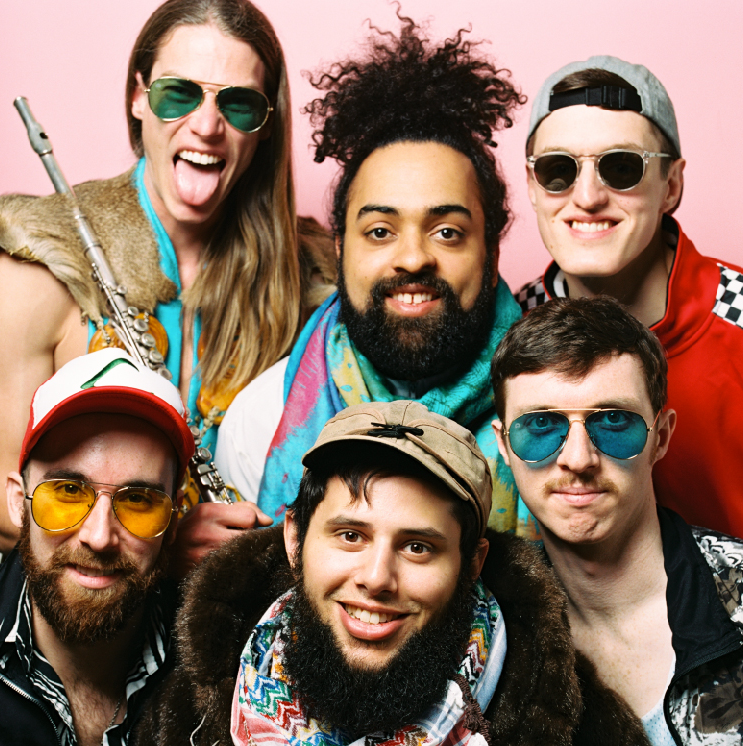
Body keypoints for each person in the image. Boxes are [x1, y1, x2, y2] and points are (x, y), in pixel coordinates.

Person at [130, 399, 671, 746]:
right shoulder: (185, 721)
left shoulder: (592, 745)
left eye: (418, 547)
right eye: (350, 536)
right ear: (295, 539)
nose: (376, 577)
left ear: (472, 565)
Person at [0, 0, 335, 554]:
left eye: (240, 104)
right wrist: (160, 541)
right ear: (138, 97)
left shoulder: (313, 281)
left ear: (267, 124)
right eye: (178, 93)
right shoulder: (38, 257)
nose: (206, 125)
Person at [491, 296, 743, 746]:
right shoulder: (488, 641)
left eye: (614, 423)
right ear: (504, 446)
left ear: (662, 436)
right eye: (542, 428)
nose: (577, 458)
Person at [215, 16, 537, 538]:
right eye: (381, 231)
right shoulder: (262, 418)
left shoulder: (556, 419)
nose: (412, 258)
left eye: (448, 232)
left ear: (493, 251)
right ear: (340, 249)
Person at [518, 55, 743, 567]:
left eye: (622, 167)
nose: (589, 196)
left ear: (672, 185)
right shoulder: (514, 331)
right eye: (558, 170)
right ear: (532, 187)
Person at [0, 348, 196, 746]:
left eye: (139, 501)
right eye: (67, 492)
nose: (100, 536)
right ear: (18, 504)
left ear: (172, 525)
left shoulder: (216, 684)